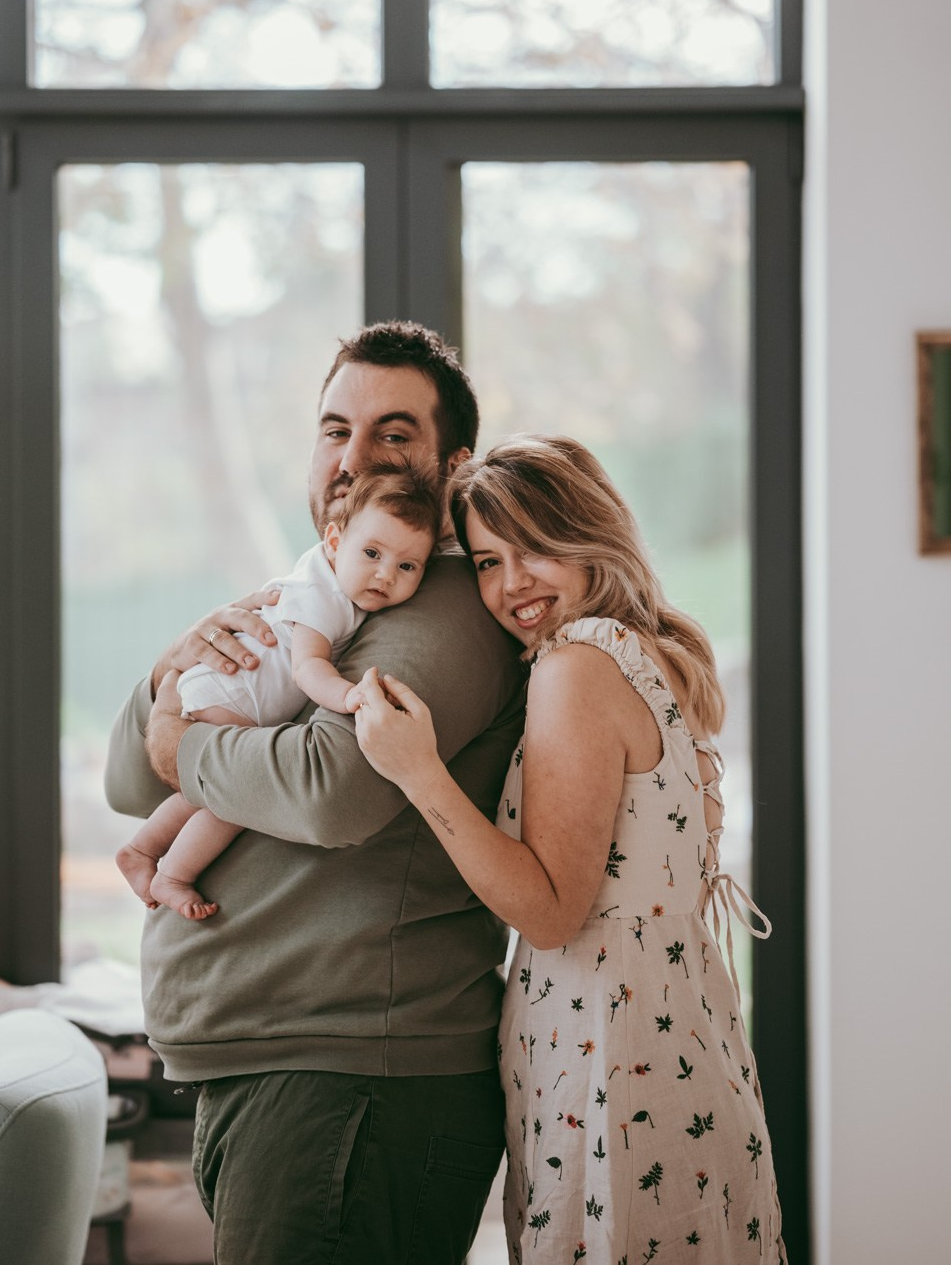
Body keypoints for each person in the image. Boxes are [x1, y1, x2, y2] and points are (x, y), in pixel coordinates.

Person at [104, 320, 527, 1265]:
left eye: (393, 435)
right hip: (294, 1081)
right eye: (335, 429)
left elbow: (331, 790)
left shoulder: (440, 605)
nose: (352, 458)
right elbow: (130, 781)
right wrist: (173, 673)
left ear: (453, 470)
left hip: (354, 1087)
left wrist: (184, 738)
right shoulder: (327, 593)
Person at [353, 434, 788, 1265]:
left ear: (589, 535)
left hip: (609, 1053)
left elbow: (551, 914)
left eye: (534, 549)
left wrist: (419, 774)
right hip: (678, 1035)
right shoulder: (651, 654)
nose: (511, 583)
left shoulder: (576, 666)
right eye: (486, 561)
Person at [115, 464, 441, 920]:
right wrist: (349, 697)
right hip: (231, 690)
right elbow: (308, 668)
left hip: (228, 691)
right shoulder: (321, 597)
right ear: (334, 543)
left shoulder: (336, 583)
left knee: (204, 792)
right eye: (372, 553)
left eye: (407, 566)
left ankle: (139, 850)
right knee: (235, 797)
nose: (386, 575)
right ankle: (172, 875)